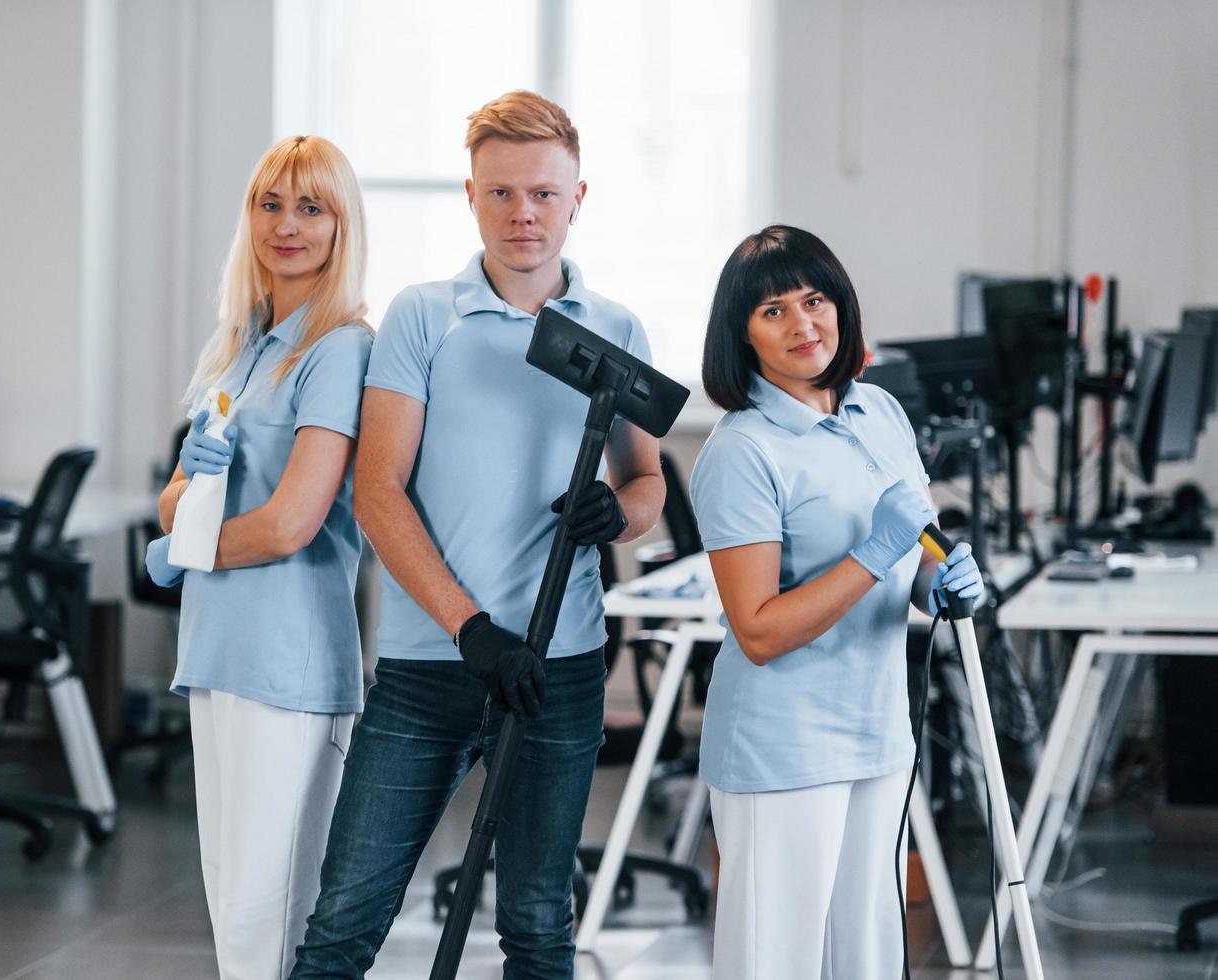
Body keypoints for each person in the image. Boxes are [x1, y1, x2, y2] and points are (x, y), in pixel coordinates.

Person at [290, 90, 665, 978]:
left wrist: (623, 516)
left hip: (560, 670)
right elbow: (378, 493)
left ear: (579, 198)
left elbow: (646, 481)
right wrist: (472, 629)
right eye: (500, 193)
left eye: (542, 193)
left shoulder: (615, 330)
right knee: (343, 922)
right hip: (428, 669)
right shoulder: (425, 316)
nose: (522, 213)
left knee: (538, 927)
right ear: (470, 196)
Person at [689, 224, 985, 979]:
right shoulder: (742, 450)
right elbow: (757, 630)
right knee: (775, 958)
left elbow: (916, 546)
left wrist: (938, 581)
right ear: (742, 335)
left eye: (814, 299)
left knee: (869, 953)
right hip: (782, 745)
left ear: (842, 305)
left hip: (877, 730)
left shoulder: (879, 411)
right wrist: (873, 555)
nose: (803, 325)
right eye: (773, 311)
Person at [144, 134, 373, 980]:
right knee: (231, 902)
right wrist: (182, 511)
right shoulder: (243, 345)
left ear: (341, 225)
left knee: (270, 910)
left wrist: (183, 549)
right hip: (217, 653)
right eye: (271, 205)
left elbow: (290, 524)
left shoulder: (339, 349)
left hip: (289, 664)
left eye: (311, 208)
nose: (288, 226)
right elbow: (174, 494)